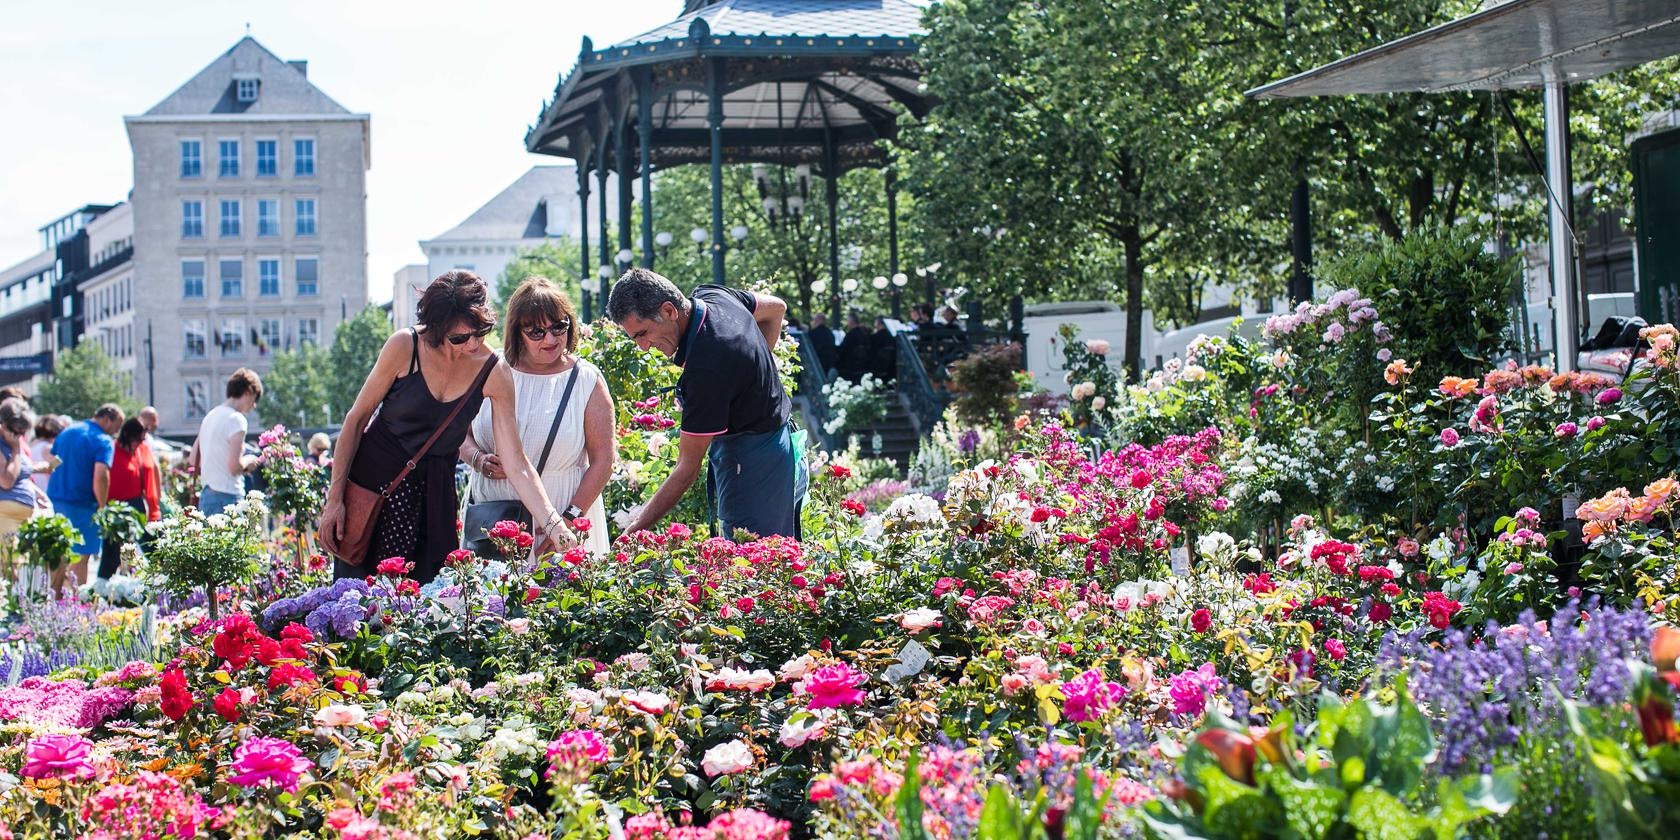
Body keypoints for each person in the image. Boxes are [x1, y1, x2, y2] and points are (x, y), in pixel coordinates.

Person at [318, 270, 575, 583]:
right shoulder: (405, 346)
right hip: (373, 490)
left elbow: (517, 463)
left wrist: (553, 524)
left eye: (480, 333)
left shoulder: (494, 370)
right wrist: (335, 501)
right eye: (459, 337)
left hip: (434, 499)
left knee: (430, 607)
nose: (471, 344)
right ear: (435, 328)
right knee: (358, 607)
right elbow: (355, 420)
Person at [608, 268, 806, 539]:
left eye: (643, 333)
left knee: (750, 570)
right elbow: (776, 308)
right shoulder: (713, 296)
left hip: (750, 466)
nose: (643, 346)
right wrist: (753, 370)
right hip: (780, 446)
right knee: (779, 560)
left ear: (668, 311)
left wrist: (634, 531)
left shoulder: (708, 367)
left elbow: (686, 470)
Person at [460, 277, 614, 555]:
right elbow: (461, 433)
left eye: (559, 327)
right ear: (518, 332)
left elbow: (603, 461)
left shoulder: (586, 379)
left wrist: (566, 523)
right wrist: (478, 459)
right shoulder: (488, 370)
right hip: (493, 521)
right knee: (495, 598)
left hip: (564, 513)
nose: (551, 339)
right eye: (537, 332)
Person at [46, 403, 124, 592]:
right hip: (83, 504)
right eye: (117, 426)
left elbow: (52, 463)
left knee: (60, 553)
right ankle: (77, 603)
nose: (117, 432)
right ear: (106, 419)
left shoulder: (67, 432)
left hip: (57, 499)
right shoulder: (102, 440)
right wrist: (102, 505)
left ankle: (54, 601)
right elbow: (100, 475)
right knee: (81, 556)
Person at [190, 369, 261, 516]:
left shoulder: (210, 415)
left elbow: (193, 459)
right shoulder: (237, 419)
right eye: (255, 398)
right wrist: (249, 460)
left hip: (207, 495)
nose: (254, 405)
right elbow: (234, 467)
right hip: (228, 495)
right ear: (248, 391)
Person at [100, 418, 160, 580]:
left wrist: (154, 505)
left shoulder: (141, 450)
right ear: (126, 435)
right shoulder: (111, 449)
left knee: (150, 544)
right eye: (136, 440)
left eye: (141, 440)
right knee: (111, 550)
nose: (138, 444)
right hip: (114, 506)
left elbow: (152, 471)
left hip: (135, 502)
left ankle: (163, 576)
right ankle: (103, 583)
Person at [0, 398, 40, 541]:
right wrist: (16, 449)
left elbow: (21, 474)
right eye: (15, 431)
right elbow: (6, 481)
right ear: (3, 424)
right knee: (9, 562)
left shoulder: (10, 442)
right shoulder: (10, 445)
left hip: (19, 516)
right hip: (5, 515)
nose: (18, 436)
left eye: (22, 433)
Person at [29, 414, 67, 494]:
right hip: (46, 489)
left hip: (33, 487)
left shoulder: (32, 444)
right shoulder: (48, 448)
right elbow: (57, 467)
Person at [836, 313, 873, 382]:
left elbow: (842, 351)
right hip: (864, 367)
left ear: (850, 322)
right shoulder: (865, 334)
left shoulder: (850, 335)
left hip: (849, 368)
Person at [806, 312, 839, 376]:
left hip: (815, 365)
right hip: (829, 365)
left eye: (814, 319)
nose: (813, 322)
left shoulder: (812, 334)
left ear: (818, 320)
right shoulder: (830, 334)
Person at [870, 316, 898, 383]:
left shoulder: (874, 337)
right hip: (892, 370)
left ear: (878, 323)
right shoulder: (893, 337)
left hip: (876, 369)